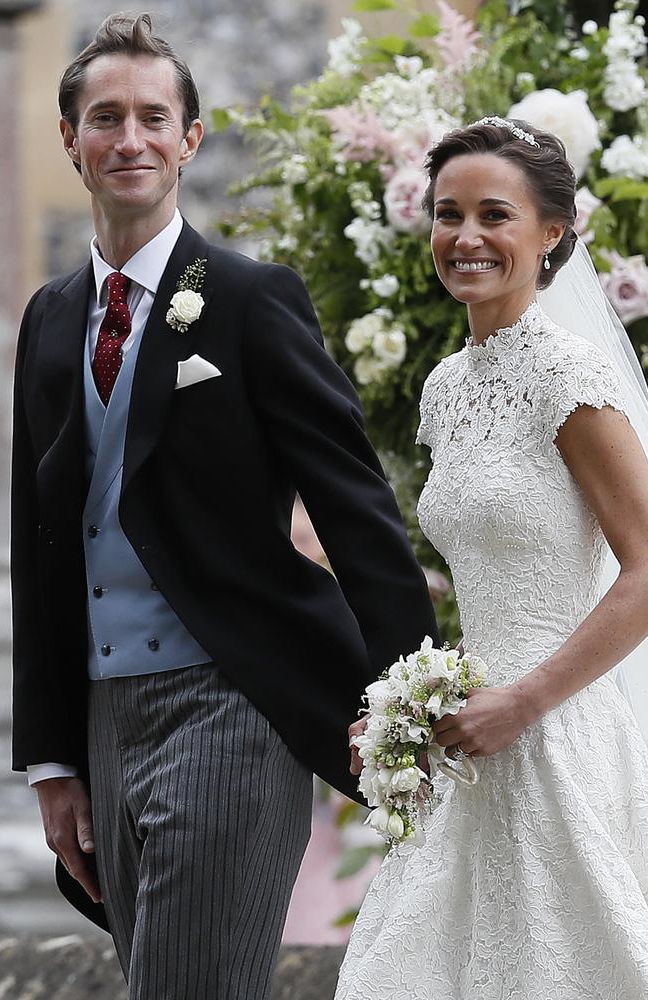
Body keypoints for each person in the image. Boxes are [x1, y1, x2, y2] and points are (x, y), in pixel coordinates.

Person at [10, 14, 438, 999]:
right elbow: (39, 550)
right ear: (69, 140)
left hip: (233, 700)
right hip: (103, 718)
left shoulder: (248, 300)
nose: (130, 139)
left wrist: (410, 702)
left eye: (153, 117)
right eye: (105, 117)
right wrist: (51, 759)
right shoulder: (51, 319)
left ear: (189, 139)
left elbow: (353, 504)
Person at [338, 118, 648, 998]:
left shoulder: (569, 378)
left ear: (551, 232)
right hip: (465, 742)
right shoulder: (445, 386)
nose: (465, 237)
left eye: (493, 215)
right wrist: (404, 715)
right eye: (448, 214)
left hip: (558, 734)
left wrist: (524, 702)